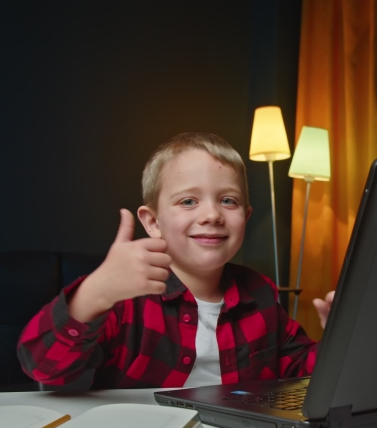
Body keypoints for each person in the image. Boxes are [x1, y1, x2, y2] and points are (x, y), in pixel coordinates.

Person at [18, 132, 333, 389]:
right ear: (153, 222)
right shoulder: (124, 296)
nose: (211, 215)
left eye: (228, 200)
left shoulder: (261, 293)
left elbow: (304, 373)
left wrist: (342, 338)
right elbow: (43, 368)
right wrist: (96, 292)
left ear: (245, 217)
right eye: (188, 201)